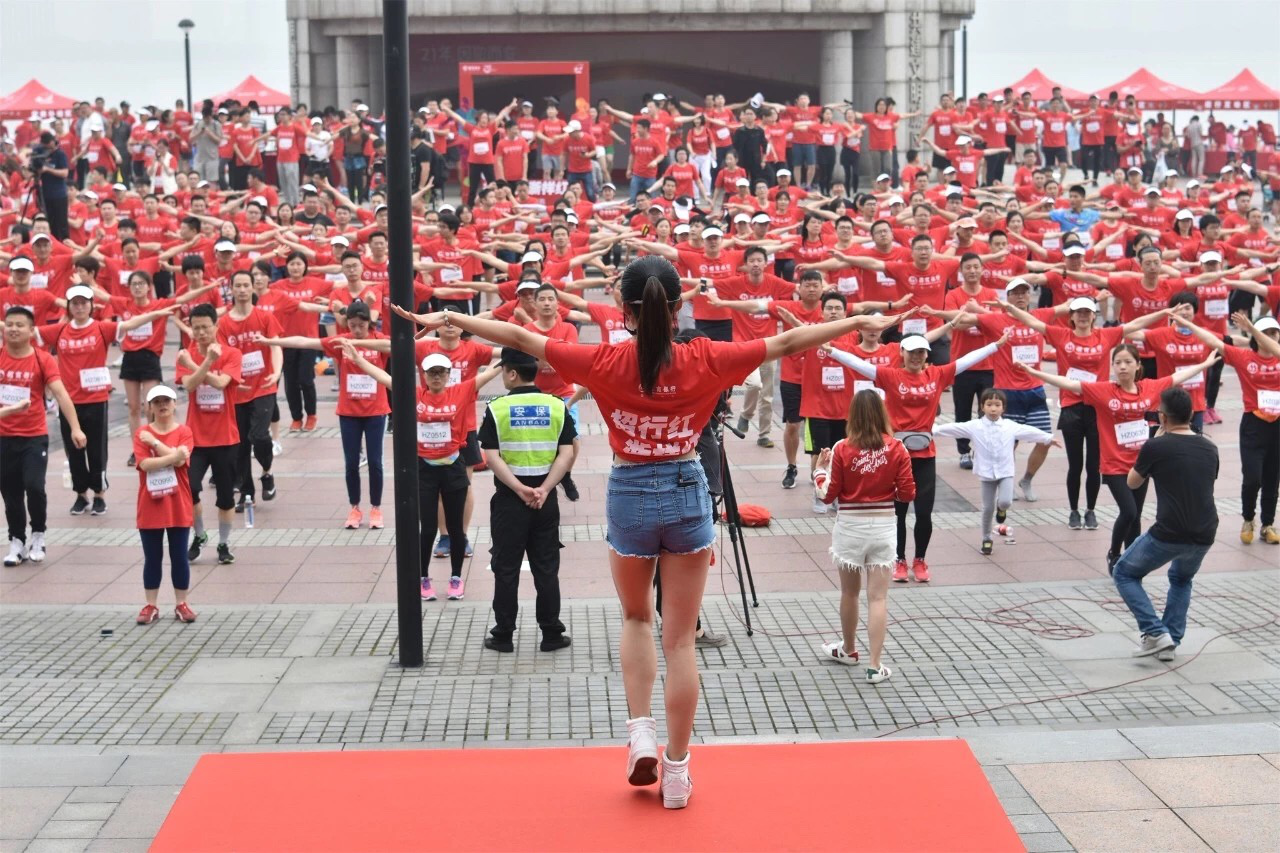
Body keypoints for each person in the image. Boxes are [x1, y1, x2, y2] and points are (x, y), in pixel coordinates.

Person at [392, 256, 911, 810]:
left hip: (630, 490)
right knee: (681, 640)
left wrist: (451, 318)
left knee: (637, 616)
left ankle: (640, 731)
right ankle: (679, 769)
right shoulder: (706, 358)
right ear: (681, 304)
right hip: (688, 486)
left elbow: (521, 334)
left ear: (623, 308)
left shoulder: (606, 360)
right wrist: (855, 324)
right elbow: (789, 343)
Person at [825, 328, 1005, 581]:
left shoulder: (937, 375)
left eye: (921, 352)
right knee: (897, 512)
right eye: (912, 352)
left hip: (925, 455)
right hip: (895, 456)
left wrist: (995, 345)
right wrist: (832, 351)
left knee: (923, 512)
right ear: (902, 353)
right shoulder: (889, 376)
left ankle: (920, 560)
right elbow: (858, 363)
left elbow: (966, 361)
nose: (917, 356)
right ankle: (899, 560)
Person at [1017, 343, 1215, 573]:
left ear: (1138, 366)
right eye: (1118, 363)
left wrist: (1205, 364)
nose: (1122, 367)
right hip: (1113, 465)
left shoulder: (1149, 388)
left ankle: (1132, 559)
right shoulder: (1104, 391)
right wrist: (1034, 373)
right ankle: (1114, 553)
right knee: (1128, 511)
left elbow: (1176, 377)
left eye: (1128, 362)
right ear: (1112, 367)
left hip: (1140, 464)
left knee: (1136, 515)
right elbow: (1070, 383)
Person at [340, 344, 500, 602]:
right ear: (423, 375)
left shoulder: (462, 391)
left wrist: (516, 348)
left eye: (440, 372)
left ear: (449, 375)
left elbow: (491, 372)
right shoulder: (414, 395)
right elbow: (384, 378)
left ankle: (456, 578)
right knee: (427, 529)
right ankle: (424, 578)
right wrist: (358, 359)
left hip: (453, 468)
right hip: (424, 469)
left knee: (456, 529)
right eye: (431, 372)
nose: (436, 377)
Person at [38, 284, 173, 516]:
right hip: (69, 402)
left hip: (96, 399)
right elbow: (25, 331)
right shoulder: (59, 331)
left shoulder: (101, 328)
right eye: (75, 303)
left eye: (84, 303)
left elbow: (130, 324)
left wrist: (157, 314)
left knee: (97, 449)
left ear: (91, 306)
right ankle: (81, 494)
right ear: (69, 307)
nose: (80, 307)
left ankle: (99, 494)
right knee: (73, 449)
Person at [812, 389, 915, 683]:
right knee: (878, 598)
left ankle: (848, 649)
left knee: (849, 593)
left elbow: (827, 495)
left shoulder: (842, 448)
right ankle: (874, 665)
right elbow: (908, 493)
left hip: (849, 528)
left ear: (852, 415)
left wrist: (819, 471)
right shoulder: (897, 448)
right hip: (883, 527)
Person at [479, 347, 577, 653]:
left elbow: (491, 455)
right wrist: (545, 488)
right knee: (546, 567)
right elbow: (567, 451)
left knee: (506, 568)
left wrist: (519, 488)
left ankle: (503, 635)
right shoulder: (556, 405)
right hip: (545, 501)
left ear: (510, 373)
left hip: (510, 500)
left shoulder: (498, 409)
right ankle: (551, 634)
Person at [1114, 387, 1218, 661]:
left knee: (1124, 572)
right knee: (1182, 578)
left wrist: (1156, 443)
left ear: (1163, 417)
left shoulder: (1156, 445)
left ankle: (1155, 632)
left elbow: (1132, 482)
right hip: (1206, 530)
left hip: (1170, 531)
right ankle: (1169, 639)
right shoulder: (1209, 446)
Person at [1163, 313, 1280, 546]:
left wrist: (1252, 329)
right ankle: (1248, 519)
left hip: (1277, 425)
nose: (1269, 337)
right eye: (1265, 333)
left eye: (1273, 333)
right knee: (1252, 478)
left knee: (1272, 479)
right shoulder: (1244, 357)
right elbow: (1215, 342)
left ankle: (1268, 524)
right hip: (1253, 425)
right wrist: (1187, 324)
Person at [0, 306, 87, 566]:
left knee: (34, 486)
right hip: (4, 437)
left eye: (20, 325)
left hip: (33, 436)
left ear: (30, 330)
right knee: (10, 492)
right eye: (10, 324)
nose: (14, 329)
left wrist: (75, 427)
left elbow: (60, 394)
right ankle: (17, 540)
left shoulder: (42, 359)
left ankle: (38, 533)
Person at [933, 389, 1058, 555]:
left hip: (1006, 471)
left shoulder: (1009, 426)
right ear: (982, 407)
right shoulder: (975, 426)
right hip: (986, 473)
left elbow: (1028, 430)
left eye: (997, 405)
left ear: (1003, 408)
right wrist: (933, 429)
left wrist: (1048, 438)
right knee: (987, 508)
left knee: (1005, 501)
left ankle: (1002, 509)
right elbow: (955, 428)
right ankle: (986, 538)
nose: (993, 408)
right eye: (989, 405)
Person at [178, 304, 243, 566]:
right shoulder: (185, 355)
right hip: (195, 439)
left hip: (226, 438)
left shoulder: (232, 354)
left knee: (225, 497)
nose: (202, 332)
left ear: (216, 327)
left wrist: (198, 364)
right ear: (191, 330)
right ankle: (200, 534)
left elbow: (221, 383)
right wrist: (204, 361)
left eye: (206, 327)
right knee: (190, 488)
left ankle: (224, 543)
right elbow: (190, 385)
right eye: (197, 328)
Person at [216, 271, 283, 512]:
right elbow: (222, 356)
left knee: (259, 436)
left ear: (253, 288)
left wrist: (276, 372)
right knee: (240, 444)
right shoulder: (223, 323)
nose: (243, 289)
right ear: (232, 289)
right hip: (238, 391)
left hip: (263, 386)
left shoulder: (264, 317)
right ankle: (246, 493)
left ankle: (267, 472)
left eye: (247, 285)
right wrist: (231, 379)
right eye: (238, 286)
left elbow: (275, 346)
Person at [133, 385, 198, 625]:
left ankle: (182, 603)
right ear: (149, 407)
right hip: (150, 503)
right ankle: (151, 605)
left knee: (179, 555)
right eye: (156, 401)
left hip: (177, 502)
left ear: (175, 404)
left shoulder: (184, 432)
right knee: (152, 557)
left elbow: (183, 462)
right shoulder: (141, 432)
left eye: (166, 401)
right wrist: (173, 456)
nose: (162, 405)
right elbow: (145, 465)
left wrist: (155, 444)